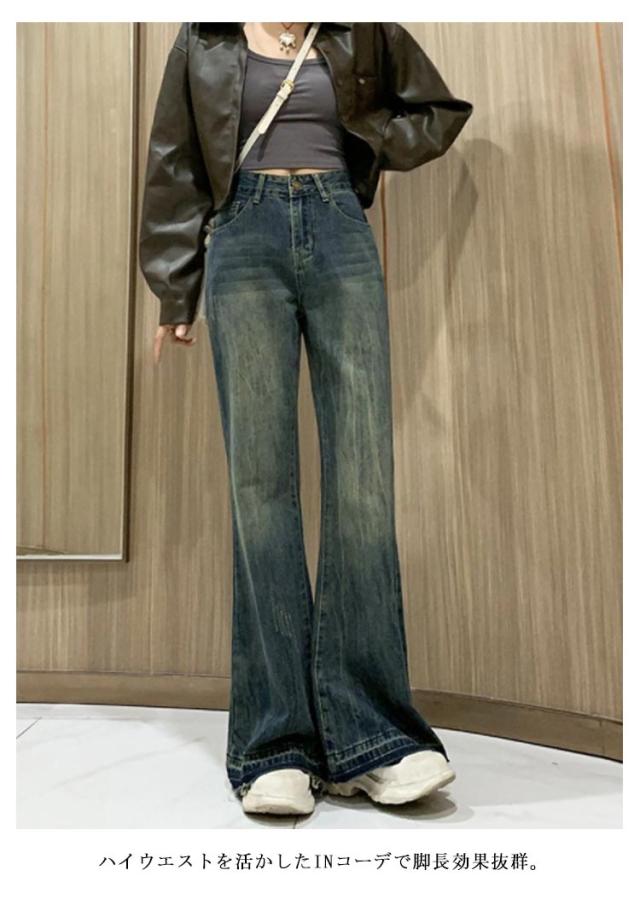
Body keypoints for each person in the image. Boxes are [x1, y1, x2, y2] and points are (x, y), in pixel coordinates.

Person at [139, 22, 473, 816]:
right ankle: (274, 745)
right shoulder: (205, 38)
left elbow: (438, 113)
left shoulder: (361, 28)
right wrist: (175, 288)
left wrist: (367, 127)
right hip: (242, 237)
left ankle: (373, 738)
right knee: (260, 490)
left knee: (363, 482)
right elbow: (175, 162)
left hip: (339, 229)